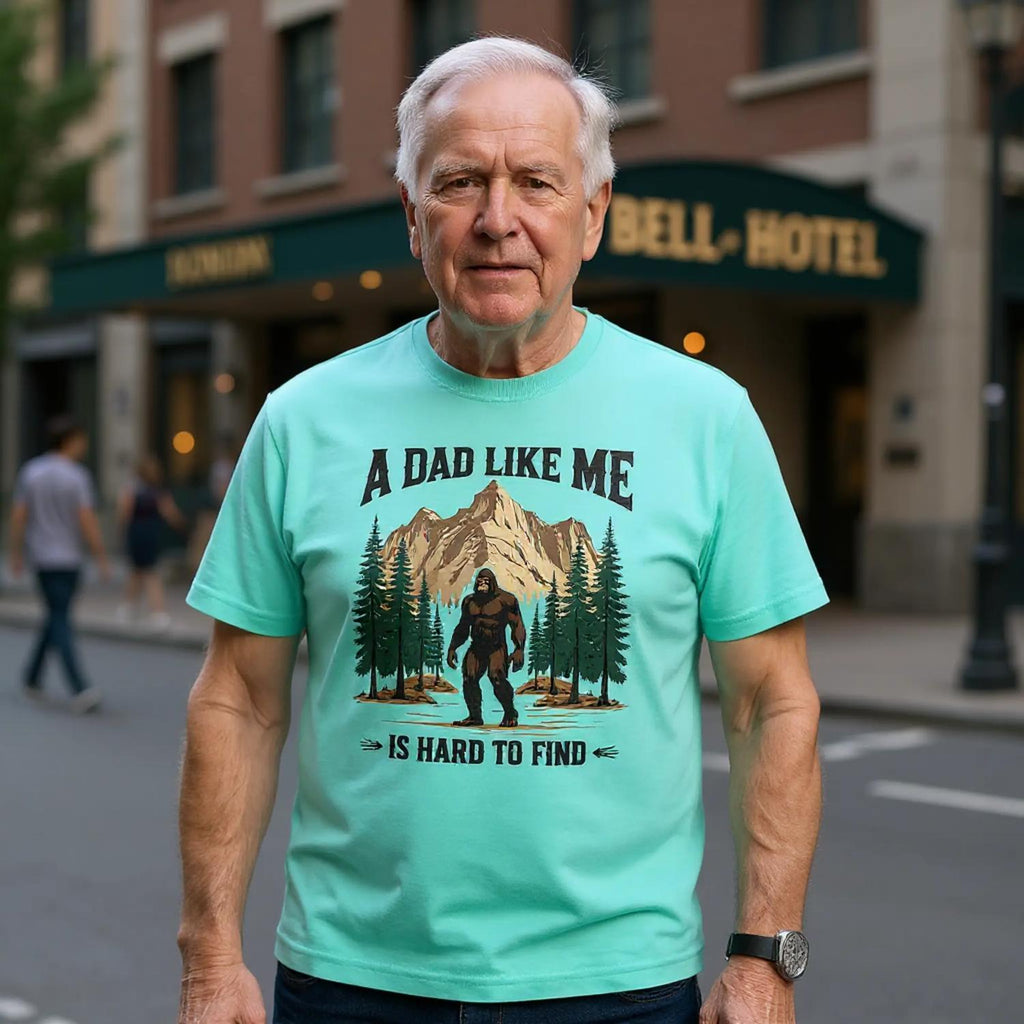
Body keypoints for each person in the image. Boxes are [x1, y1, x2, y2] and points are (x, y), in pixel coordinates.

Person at [177, 37, 828, 1024]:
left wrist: (764, 957)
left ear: (592, 213)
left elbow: (771, 705)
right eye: (459, 183)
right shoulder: (302, 420)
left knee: (496, 686)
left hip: (618, 988)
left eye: (535, 181)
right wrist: (208, 953)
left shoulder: (707, 418)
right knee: (478, 687)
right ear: (410, 214)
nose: (497, 221)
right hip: (352, 982)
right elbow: (239, 701)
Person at [8, 415, 110, 713]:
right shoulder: (77, 476)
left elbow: (19, 516)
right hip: (67, 557)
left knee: (54, 615)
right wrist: (100, 554)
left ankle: (31, 677)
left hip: (41, 556)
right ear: (71, 441)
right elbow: (86, 519)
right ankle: (79, 686)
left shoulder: (32, 471)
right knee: (60, 618)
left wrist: (16, 553)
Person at [116, 453, 187, 629]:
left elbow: (124, 513)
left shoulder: (132, 489)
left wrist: (122, 532)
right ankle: (156, 611)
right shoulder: (158, 492)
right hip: (151, 533)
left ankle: (131, 607)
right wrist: (183, 526)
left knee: (138, 570)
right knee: (149, 572)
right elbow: (170, 513)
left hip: (136, 533)